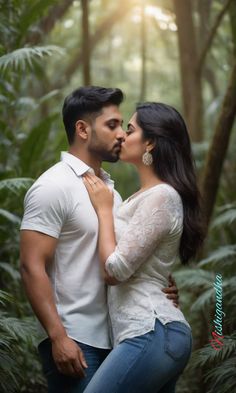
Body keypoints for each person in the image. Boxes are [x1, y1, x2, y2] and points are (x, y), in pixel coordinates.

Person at [19, 87, 179, 393]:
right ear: (82, 129)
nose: (121, 134)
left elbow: (123, 258)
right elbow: (30, 266)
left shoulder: (112, 194)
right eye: (112, 125)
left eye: (123, 125)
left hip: (122, 339)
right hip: (76, 342)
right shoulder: (53, 186)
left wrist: (159, 288)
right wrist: (58, 337)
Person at [82, 102, 205, 393]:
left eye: (130, 129)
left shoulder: (162, 196)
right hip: (150, 333)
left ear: (150, 142)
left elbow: (115, 270)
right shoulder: (139, 198)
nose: (123, 136)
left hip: (151, 331)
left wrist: (102, 210)